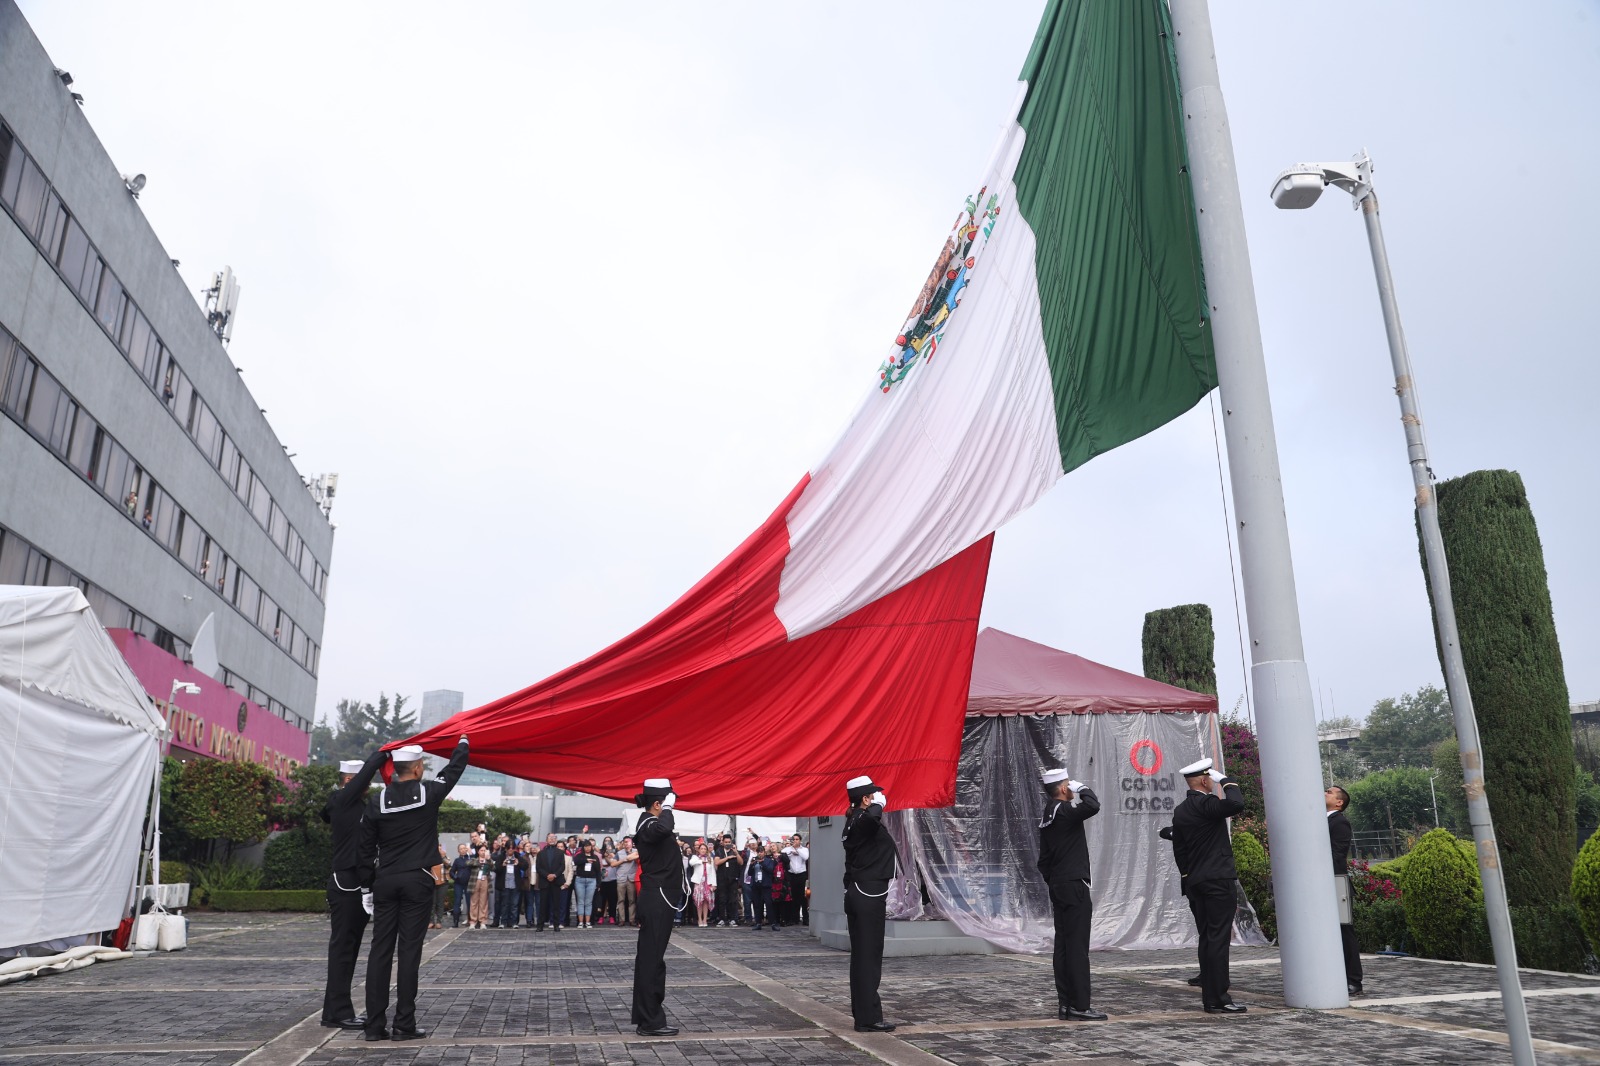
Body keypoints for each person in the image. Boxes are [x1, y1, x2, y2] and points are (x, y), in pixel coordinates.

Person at [358, 737, 470, 1041]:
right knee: (409, 952)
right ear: (418, 768)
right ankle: (404, 1024)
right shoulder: (429, 792)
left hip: (386, 880)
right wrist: (462, 741)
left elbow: (365, 849)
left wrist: (368, 885)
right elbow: (454, 770)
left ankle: (373, 1026)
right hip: (417, 881)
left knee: (380, 952)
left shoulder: (376, 801)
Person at [1164, 756, 1247, 1015]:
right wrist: (1227, 781)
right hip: (1217, 882)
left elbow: (1180, 850)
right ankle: (1219, 998)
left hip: (1196, 882)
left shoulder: (1181, 810)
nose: (1212, 782)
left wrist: (1188, 878)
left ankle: (1211, 998)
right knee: (1218, 940)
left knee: (1208, 939)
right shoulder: (1207, 804)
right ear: (1203, 780)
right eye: (1210, 778)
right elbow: (1236, 803)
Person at [318, 751, 385, 1030]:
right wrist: (380, 756)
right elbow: (363, 777)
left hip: (358, 883)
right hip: (346, 883)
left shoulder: (356, 804)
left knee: (349, 949)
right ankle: (336, 1012)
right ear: (350, 780)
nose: (367, 787)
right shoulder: (342, 799)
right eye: (362, 782)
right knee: (343, 949)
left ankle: (337, 1010)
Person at [1036, 767, 1106, 1021]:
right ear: (1064, 789)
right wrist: (1083, 788)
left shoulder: (1048, 813)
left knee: (1064, 947)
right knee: (1077, 947)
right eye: (1068, 785)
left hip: (1058, 884)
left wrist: (1054, 881)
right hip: (1073, 884)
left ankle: (1066, 1004)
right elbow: (1093, 806)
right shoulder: (1064, 810)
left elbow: (1043, 861)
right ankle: (1080, 1005)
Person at [631, 778, 687, 1036]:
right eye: (664, 804)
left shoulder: (650, 823)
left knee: (653, 960)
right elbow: (662, 830)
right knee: (651, 961)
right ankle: (650, 1021)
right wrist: (669, 809)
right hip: (657, 897)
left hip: (660, 896)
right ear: (657, 804)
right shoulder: (648, 824)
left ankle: (649, 1018)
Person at [842, 774, 896, 1033]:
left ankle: (864, 1015)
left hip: (859, 891)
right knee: (868, 958)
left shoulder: (853, 821)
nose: (876, 798)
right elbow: (872, 820)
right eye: (872, 795)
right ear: (864, 798)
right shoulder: (861, 819)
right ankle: (868, 1018)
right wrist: (877, 806)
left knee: (864, 957)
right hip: (867, 893)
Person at [1327, 784, 1364, 994]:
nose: (1325, 793)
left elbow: (1337, 855)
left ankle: (1354, 980)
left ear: (1340, 803)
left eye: (1330, 792)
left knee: (1344, 932)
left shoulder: (1339, 822)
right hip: (1326, 884)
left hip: (1336, 883)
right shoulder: (1320, 819)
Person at [535, 833, 568, 931]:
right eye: (550, 838)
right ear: (546, 840)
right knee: (543, 904)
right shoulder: (541, 853)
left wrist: (554, 875)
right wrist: (547, 875)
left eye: (554, 838)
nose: (552, 839)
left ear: (556, 840)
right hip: (544, 881)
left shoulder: (560, 852)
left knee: (556, 904)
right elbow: (538, 867)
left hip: (556, 881)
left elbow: (562, 866)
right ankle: (540, 925)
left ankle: (556, 925)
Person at [573, 840, 602, 929]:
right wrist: (586, 860)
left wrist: (598, 883)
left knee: (589, 902)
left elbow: (598, 871)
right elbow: (576, 861)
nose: (587, 848)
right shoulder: (579, 855)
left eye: (589, 846)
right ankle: (581, 922)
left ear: (591, 847)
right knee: (581, 902)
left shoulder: (595, 857)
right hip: (580, 879)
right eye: (585, 846)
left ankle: (588, 922)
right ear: (583, 847)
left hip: (592, 880)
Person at [783, 834, 810, 926]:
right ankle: (795, 918)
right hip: (792, 875)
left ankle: (806, 918)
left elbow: (806, 857)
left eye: (797, 839)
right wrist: (791, 851)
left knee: (803, 897)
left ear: (800, 840)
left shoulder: (804, 849)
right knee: (793, 897)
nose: (795, 841)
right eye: (793, 839)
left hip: (801, 875)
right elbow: (783, 853)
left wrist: (797, 850)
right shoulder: (788, 849)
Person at [613, 836, 639, 927]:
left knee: (632, 900)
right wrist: (623, 860)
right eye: (625, 842)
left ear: (632, 843)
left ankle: (632, 919)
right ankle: (621, 919)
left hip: (631, 878)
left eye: (628, 842)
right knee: (621, 900)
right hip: (621, 878)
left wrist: (631, 856)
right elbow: (613, 864)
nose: (627, 844)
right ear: (623, 843)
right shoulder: (619, 853)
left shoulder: (636, 852)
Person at [689, 842, 715, 927]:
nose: (703, 850)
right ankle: (699, 919)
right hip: (698, 882)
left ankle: (705, 919)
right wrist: (701, 861)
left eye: (705, 849)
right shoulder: (695, 857)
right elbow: (691, 863)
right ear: (699, 850)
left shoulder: (710, 859)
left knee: (706, 901)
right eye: (702, 849)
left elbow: (713, 872)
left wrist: (714, 884)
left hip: (707, 882)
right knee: (699, 901)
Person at [467, 846, 493, 928]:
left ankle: (483, 921)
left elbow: (493, 867)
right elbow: (468, 863)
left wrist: (487, 860)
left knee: (483, 902)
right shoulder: (474, 859)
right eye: (481, 850)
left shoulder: (488, 860)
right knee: (474, 901)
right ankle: (473, 921)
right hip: (475, 880)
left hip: (485, 880)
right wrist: (480, 862)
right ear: (478, 851)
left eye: (485, 850)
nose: (483, 852)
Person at [448, 843, 471, 928]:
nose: (463, 850)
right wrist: (455, 877)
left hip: (468, 883)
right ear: (458, 851)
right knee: (457, 902)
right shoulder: (457, 860)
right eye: (461, 849)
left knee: (470, 902)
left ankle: (471, 921)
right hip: (458, 883)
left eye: (464, 848)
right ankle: (456, 922)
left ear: (466, 849)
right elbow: (451, 871)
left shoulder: (470, 858)